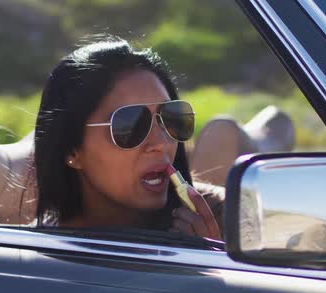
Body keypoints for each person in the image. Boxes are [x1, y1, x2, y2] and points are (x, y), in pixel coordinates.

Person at [33, 36, 222, 240]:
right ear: (72, 150)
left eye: (171, 118)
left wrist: (211, 257)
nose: (161, 142)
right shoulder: (30, 257)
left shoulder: (227, 218)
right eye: (132, 126)